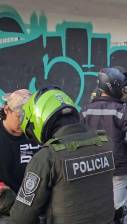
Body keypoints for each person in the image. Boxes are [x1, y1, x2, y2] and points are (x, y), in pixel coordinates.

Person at [10, 86, 115, 224]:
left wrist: (6, 198)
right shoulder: (104, 143)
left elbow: (21, 218)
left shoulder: (47, 157)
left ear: (39, 119)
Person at [81, 67, 127, 223]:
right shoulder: (122, 112)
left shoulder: (85, 111)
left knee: (98, 207)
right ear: (115, 87)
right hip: (118, 170)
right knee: (119, 210)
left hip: (92, 169)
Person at [0, 89, 40, 219]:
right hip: (6, 211)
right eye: (19, 117)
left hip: (35, 206)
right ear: (7, 110)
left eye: (27, 117)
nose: (23, 122)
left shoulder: (36, 134)